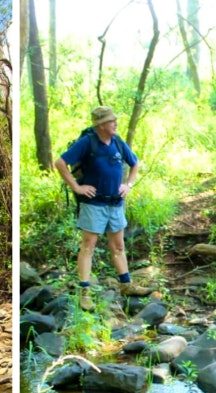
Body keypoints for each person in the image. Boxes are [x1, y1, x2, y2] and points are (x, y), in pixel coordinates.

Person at [55, 106, 152, 311]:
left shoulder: (117, 142)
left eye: (115, 119)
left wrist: (128, 185)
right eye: (111, 121)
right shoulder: (87, 143)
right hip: (94, 204)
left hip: (115, 203)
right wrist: (77, 187)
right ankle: (85, 293)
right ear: (100, 125)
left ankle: (126, 285)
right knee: (88, 246)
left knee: (118, 246)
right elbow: (60, 163)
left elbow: (134, 163)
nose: (115, 123)